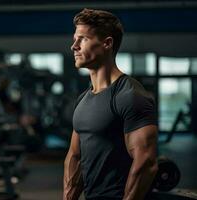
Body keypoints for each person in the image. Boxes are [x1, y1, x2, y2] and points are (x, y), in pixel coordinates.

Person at [63, 9, 158, 200]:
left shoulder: (130, 95)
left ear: (107, 43)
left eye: (83, 39)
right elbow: (75, 156)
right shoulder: (83, 99)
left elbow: (146, 162)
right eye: (75, 39)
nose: (74, 46)